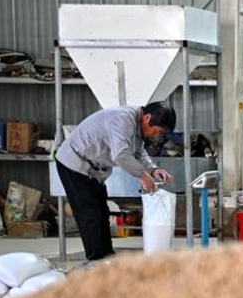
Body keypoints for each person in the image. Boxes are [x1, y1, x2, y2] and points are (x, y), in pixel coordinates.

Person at [55, 103, 176, 262]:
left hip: (95, 170)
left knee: (102, 214)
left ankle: (106, 258)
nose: (155, 135)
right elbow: (121, 154)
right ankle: (97, 262)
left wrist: (153, 170)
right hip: (75, 164)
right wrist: (143, 176)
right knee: (90, 216)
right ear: (147, 118)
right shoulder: (123, 119)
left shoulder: (138, 127)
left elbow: (139, 153)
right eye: (157, 131)